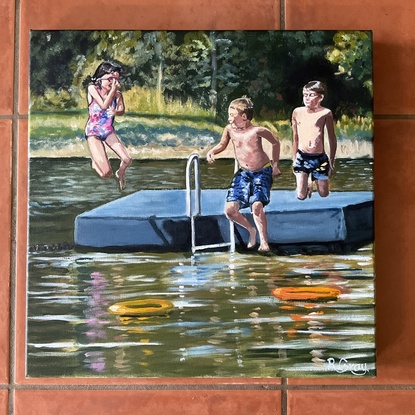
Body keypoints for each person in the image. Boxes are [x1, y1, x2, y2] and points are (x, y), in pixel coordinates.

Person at [207, 96, 281, 252]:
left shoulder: (257, 131)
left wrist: (275, 165)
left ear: (244, 117)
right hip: (244, 173)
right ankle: (251, 230)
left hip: (262, 172)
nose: (229, 119)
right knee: (230, 210)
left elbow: (275, 142)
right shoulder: (229, 130)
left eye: (232, 116)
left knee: (257, 205)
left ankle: (264, 241)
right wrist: (212, 151)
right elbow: (222, 144)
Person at [85, 61, 132, 190]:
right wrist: (113, 92)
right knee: (106, 173)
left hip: (108, 131)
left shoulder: (117, 94)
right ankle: (95, 163)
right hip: (93, 132)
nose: (113, 83)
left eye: (116, 79)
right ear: (100, 79)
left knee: (127, 160)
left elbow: (121, 110)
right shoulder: (93, 89)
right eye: (110, 79)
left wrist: (117, 111)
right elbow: (104, 105)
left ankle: (120, 172)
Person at [291, 80, 337, 200]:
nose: (306, 98)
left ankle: (313, 179)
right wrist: (294, 158)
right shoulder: (297, 112)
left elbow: (332, 138)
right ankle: (307, 182)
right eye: (305, 95)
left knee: (324, 193)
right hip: (302, 156)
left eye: (311, 95)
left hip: (319, 157)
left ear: (320, 97)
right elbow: (295, 137)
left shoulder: (326, 113)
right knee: (301, 195)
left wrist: (331, 161)